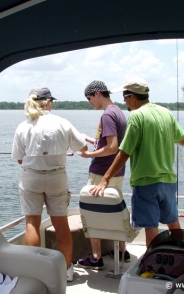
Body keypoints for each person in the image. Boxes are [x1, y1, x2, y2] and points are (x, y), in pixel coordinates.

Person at [90, 77, 184, 247]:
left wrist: (105, 180)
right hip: (169, 182)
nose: (124, 101)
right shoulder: (166, 112)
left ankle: (151, 267)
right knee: (173, 222)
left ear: (133, 97)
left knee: (150, 227)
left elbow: (124, 153)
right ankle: (182, 255)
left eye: (125, 97)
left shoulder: (136, 116)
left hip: (146, 182)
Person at [11, 86, 88, 282]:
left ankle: (36, 272)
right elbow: (83, 146)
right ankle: (67, 271)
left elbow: (19, 159)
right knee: (61, 224)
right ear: (48, 102)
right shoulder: (62, 123)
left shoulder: (23, 126)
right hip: (56, 177)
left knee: (32, 223)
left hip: (32, 178)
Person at [76, 80, 130, 270]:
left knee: (93, 213)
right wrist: (91, 140)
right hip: (116, 171)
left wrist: (89, 154)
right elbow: (110, 144)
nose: (90, 102)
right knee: (114, 210)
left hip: (101, 172)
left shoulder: (107, 115)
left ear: (98, 94)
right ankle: (122, 250)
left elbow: (112, 147)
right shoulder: (118, 112)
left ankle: (96, 256)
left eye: (89, 98)